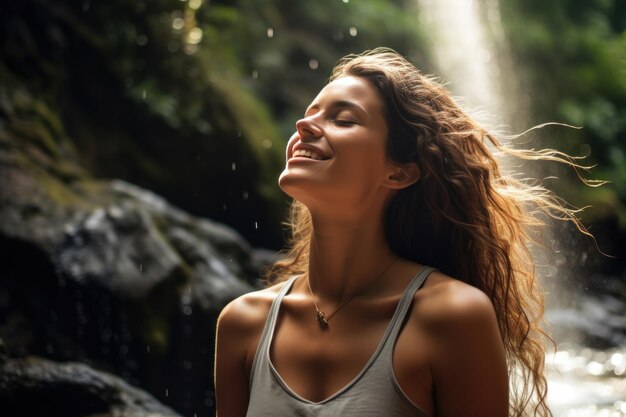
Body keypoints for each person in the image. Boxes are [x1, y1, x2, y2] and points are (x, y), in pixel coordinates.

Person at [214, 48, 587, 416]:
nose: (304, 125)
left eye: (343, 120)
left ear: (399, 172)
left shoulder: (452, 317)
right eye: (310, 114)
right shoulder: (244, 323)